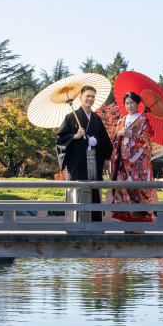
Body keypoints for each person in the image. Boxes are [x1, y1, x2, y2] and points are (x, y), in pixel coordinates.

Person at [56, 85, 113, 223]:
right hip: (77, 162)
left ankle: (95, 225)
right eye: (87, 96)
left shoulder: (96, 119)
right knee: (77, 189)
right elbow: (60, 138)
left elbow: (104, 140)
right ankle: (75, 224)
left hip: (95, 160)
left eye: (93, 96)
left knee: (94, 189)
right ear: (80, 98)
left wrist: (106, 158)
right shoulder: (70, 117)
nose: (90, 99)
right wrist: (74, 136)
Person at [110, 91, 158, 224]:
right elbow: (114, 140)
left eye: (132, 103)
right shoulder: (122, 120)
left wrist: (131, 136)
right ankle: (127, 217)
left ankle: (140, 220)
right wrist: (119, 134)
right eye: (127, 103)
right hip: (123, 161)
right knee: (124, 188)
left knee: (139, 189)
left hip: (138, 161)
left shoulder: (143, 119)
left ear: (138, 104)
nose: (129, 106)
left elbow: (147, 138)